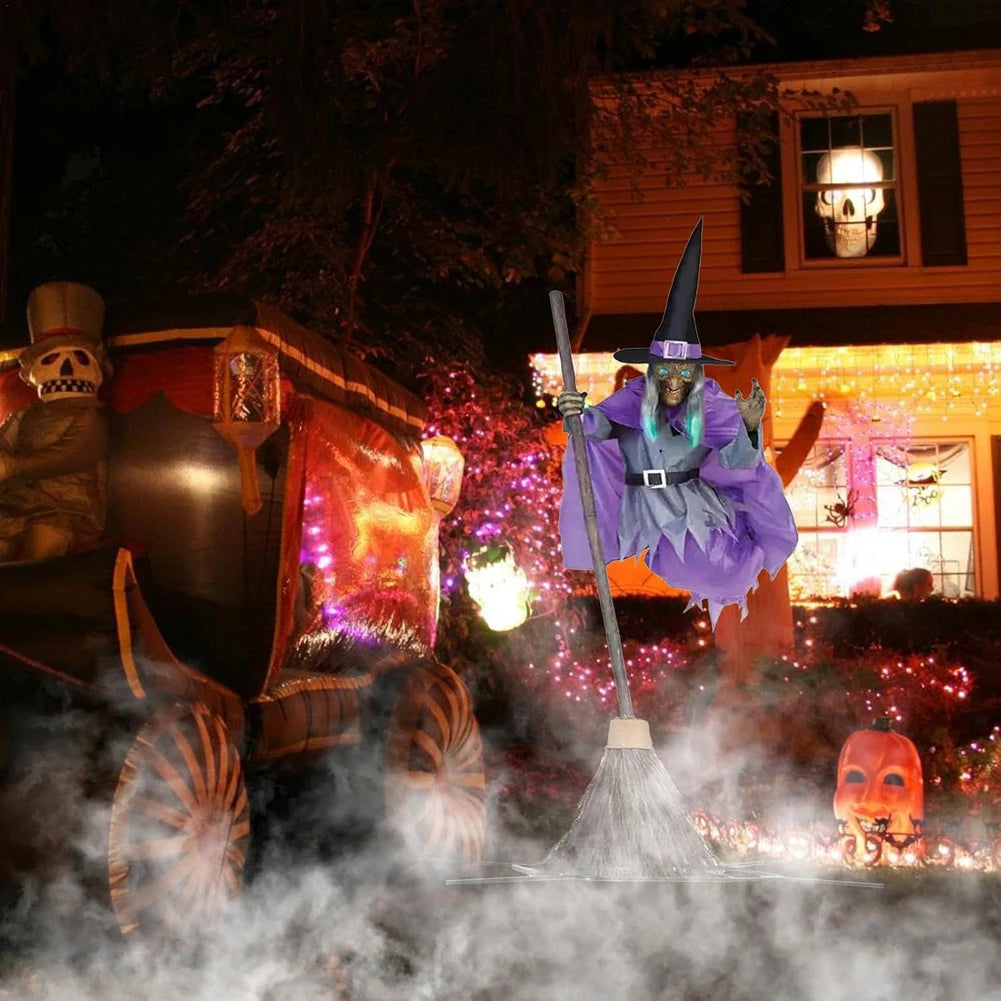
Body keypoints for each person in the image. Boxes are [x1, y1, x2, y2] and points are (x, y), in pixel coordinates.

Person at [557, 220, 798, 627]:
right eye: (665, 372)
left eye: (684, 373)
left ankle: (736, 564)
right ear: (652, 372)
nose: (673, 382)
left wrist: (749, 428)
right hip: (645, 508)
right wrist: (578, 414)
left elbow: (739, 463)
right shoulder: (634, 398)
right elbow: (600, 429)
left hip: (692, 508)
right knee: (675, 563)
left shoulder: (711, 406)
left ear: (696, 375)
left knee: (718, 567)